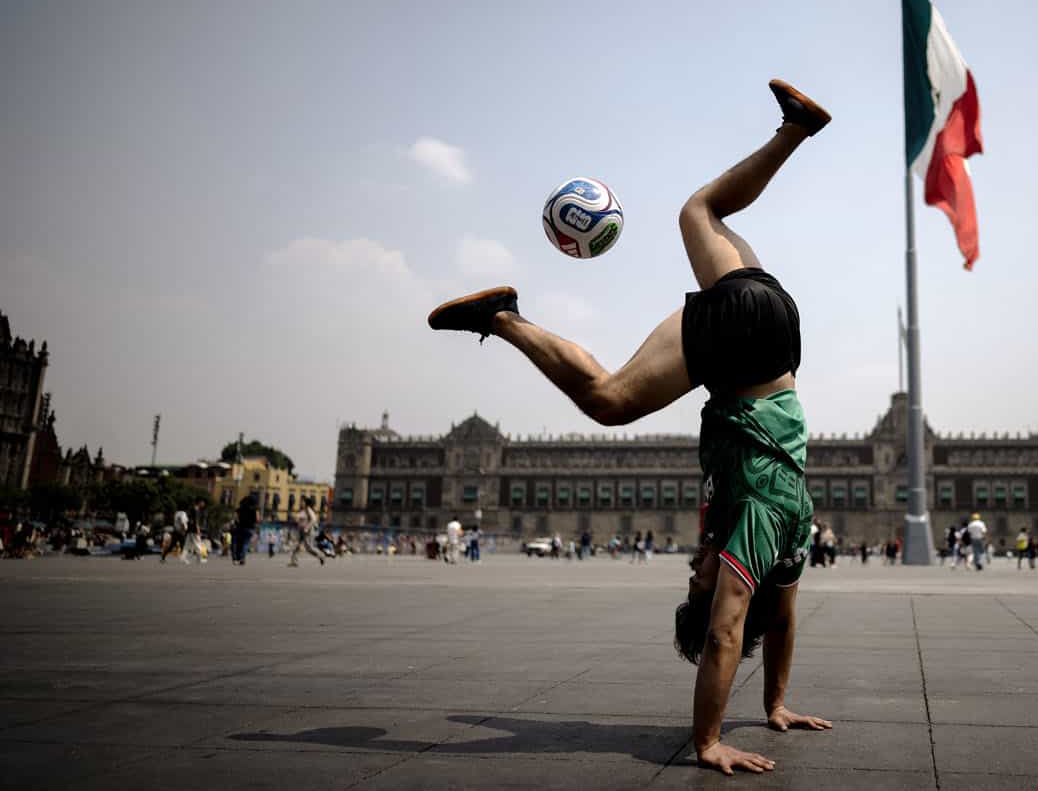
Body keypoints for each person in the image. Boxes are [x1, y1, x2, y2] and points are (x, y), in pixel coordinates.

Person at [427, 78, 834, 774]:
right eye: (698, 580)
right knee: (610, 399)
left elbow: (783, 619)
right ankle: (503, 316)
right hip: (746, 341)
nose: (697, 566)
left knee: (697, 211)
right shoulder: (758, 532)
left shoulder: (792, 534)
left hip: (776, 328)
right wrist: (707, 738)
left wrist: (776, 705)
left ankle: (794, 129)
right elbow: (732, 629)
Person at [288, 498, 326, 566]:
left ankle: (321, 555)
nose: (300, 503)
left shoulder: (309, 510)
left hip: (308, 531)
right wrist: (295, 518)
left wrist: (307, 528)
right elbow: (299, 518)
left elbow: (313, 520)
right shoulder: (303, 510)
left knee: (309, 548)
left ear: (306, 503)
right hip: (301, 530)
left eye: (302, 501)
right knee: (296, 545)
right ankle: (294, 561)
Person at [232, 495, 259, 565]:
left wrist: (239, 522)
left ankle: (237, 558)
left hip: (240, 527)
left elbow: (235, 518)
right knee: (245, 544)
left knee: (239, 543)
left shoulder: (239, 509)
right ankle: (242, 558)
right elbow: (257, 519)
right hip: (250, 528)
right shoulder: (255, 509)